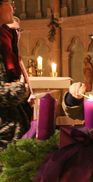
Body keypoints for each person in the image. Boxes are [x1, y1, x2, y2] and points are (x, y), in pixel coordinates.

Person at [0, 0, 32, 150]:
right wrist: (20, 90)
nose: (13, 7)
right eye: (9, 2)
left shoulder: (6, 36)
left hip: (12, 130)